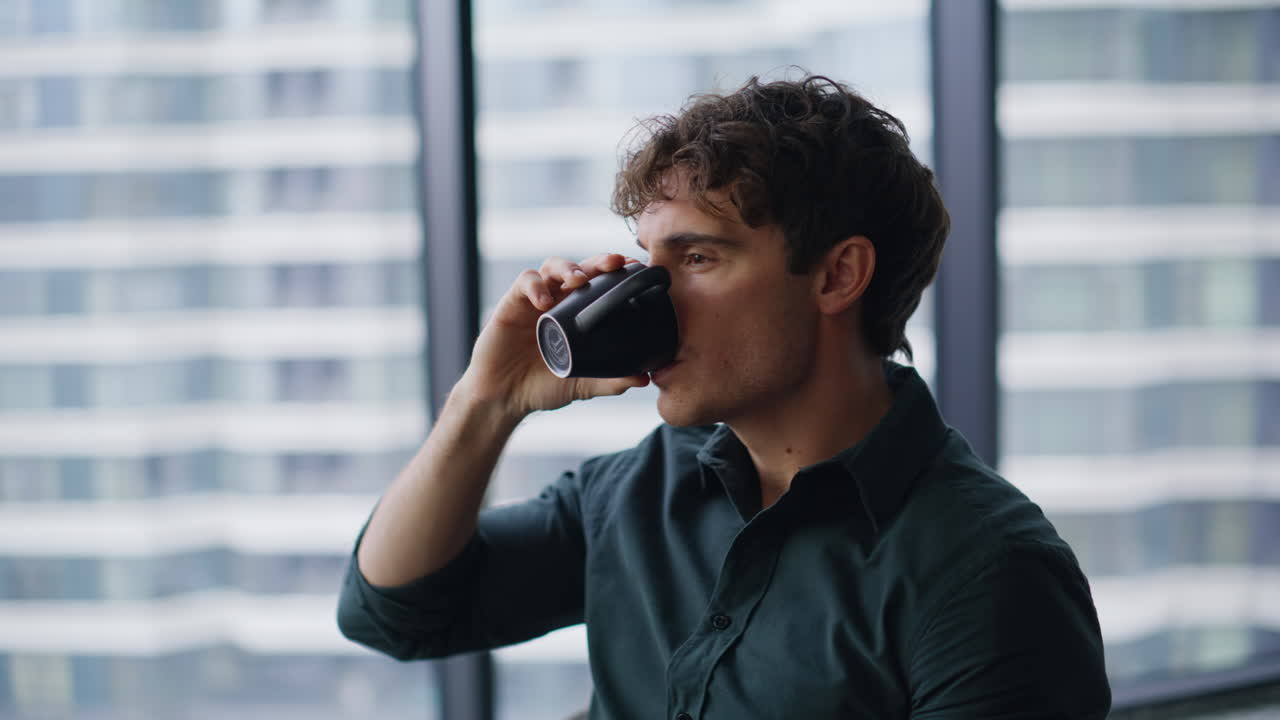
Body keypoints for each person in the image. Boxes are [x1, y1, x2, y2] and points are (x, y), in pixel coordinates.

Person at [337, 74, 1111, 719]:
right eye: (646, 262)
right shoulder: (644, 487)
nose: (648, 300)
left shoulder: (987, 573)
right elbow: (394, 611)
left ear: (838, 275)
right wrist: (487, 400)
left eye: (698, 257)